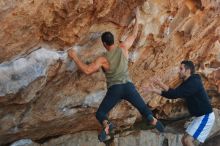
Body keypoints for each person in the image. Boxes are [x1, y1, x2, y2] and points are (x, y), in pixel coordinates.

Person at [68, 8, 164, 142]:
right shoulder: (123, 48)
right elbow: (134, 35)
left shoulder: (103, 59)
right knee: (142, 108)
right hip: (129, 87)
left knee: (101, 113)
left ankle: (107, 125)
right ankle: (152, 119)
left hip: (115, 89)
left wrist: (75, 57)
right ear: (113, 41)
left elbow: (88, 70)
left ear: (104, 44)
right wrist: (137, 18)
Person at [143, 60, 215, 146]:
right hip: (200, 116)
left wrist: (160, 83)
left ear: (188, 71)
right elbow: (172, 94)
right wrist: (154, 90)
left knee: (187, 140)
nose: (179, 71)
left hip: (205, 116)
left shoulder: (194, 83)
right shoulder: (188, 82)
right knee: (184, 139)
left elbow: (175, 94)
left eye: (181, 69)